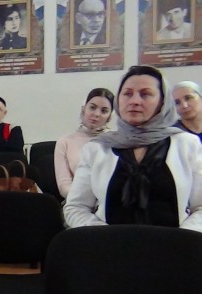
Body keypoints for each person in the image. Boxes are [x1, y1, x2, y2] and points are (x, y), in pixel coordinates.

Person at [64, 65, 202, 231]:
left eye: (145, 94)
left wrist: (181, 239)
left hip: (173, 244)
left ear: (162, 102)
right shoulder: (97, 148)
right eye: (128, 94)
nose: (135, 101)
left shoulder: (186, 144)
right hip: (110, 244)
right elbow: (76, 207)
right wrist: (105, 236)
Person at [54, 88, 114, 198]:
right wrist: (88, 199)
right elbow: (64, 187)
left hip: (111, 201)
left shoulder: (118, 141)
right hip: (77, 200)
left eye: (104, 111)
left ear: (109, 116)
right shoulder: (65, 142)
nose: (97, 114)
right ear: (83, 109)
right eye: (92, 108)